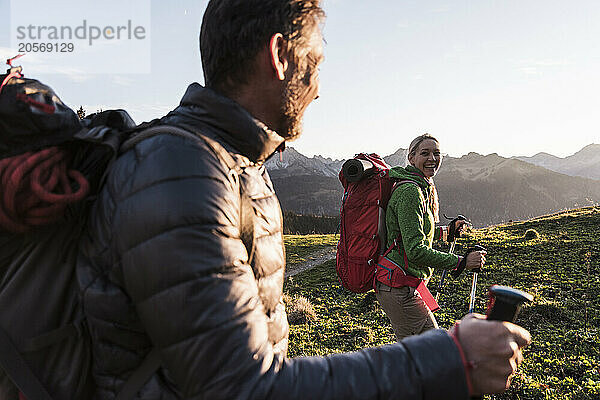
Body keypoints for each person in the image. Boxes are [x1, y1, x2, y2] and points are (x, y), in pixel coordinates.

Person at [77, 1, 530, 399]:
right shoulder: (187, 175)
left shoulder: (226, 161)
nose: (318, 89)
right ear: (279, 56)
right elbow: (238, 387)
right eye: (314, 62)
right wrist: (448, 359)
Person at [375, 133, 487, 340]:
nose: (432, 159)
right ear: (411, 158)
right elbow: (415, 251)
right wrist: (462, 262)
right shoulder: (410, 191)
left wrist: (446, 231)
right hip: (399, 287)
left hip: (399, 283)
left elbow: (412, 230)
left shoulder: (418, 186)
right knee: (432, 352)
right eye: (425, 153)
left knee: (415, 355)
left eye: (437, 153)